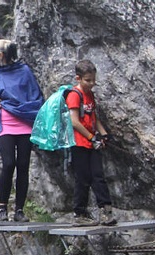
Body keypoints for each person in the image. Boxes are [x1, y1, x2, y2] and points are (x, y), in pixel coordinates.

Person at [0, 39, 44, 222]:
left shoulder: (23, 71)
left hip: (23, 121)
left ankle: (19, 210)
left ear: (2, 55)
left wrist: (28, 110)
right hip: (4, 122)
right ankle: (2, 208)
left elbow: (35, 95)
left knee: (23, 165)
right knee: (8, 163)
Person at [67, 60, 117, 227]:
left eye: (93, 80)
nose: (91, 83)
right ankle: (79, 212)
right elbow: (74, 121)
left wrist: (103, 134)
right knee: (83, 178)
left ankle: (106, 211)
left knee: (98, 176)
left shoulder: (90, 95)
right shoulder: (74, 95)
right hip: (80, 143)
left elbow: (93, 117)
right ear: (78, 78)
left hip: (92, 141)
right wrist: (91, 137)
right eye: (88, 80)